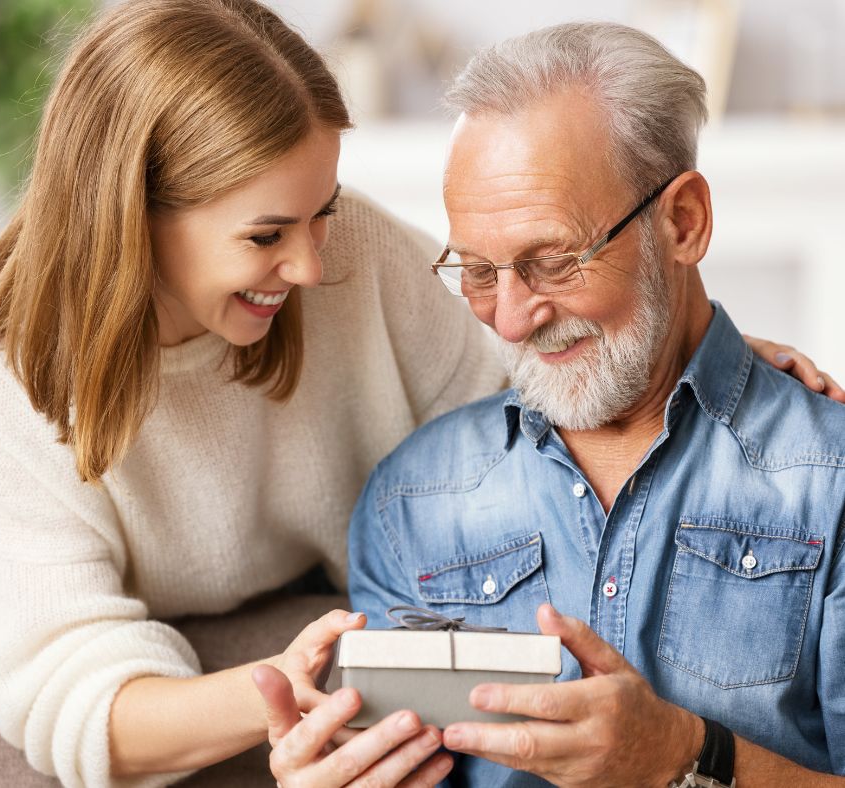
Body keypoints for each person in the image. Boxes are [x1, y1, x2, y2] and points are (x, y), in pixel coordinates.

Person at [0, 2, 835, 785]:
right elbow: (67, 688)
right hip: (214, 690)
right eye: (266, 235)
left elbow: (530, 377)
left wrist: (700, 356)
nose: (316, 265)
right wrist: (308, 693)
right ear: (132, 218)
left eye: (323, 212)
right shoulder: (0, 379)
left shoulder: (354, 260)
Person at [341, 21, 845, 788]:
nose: (510, 319)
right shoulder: (408, 503)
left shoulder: (830, 483)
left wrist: (685, 756)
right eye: (478, 271)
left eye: (553, 262)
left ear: (683, 222)